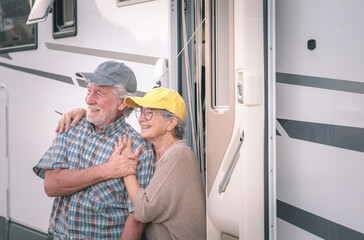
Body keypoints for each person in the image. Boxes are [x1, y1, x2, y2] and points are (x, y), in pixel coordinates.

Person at [62, 88, 206, 239]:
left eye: (149, 113)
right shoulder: (154, 150)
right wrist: (87, 114)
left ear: (171, 123)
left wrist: (126, 169)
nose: (141, 119)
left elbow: (144, 210)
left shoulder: (178, 155)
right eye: (141, 112)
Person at [33, 61, 155, 240]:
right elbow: (51, 185)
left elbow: (136, 217)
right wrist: (106, 170)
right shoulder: (70, 126)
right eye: (88, 90)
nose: (88, 100)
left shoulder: (138, 148)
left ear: (122, 103)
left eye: (98, 93)